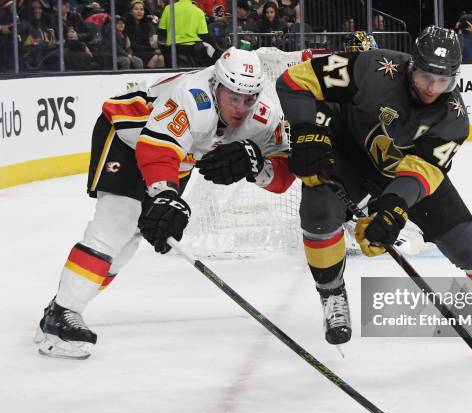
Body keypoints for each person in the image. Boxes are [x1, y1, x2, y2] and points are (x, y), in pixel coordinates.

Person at [274, 26, 472, 347]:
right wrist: (306, 132)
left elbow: (420, 173)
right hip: (348, 157)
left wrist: (393, 209)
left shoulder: (453, 119)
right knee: (318, 211)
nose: (433, 88)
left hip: (404, 173)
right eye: (427, 76)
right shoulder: (372, 68)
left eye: (444, 81)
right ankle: (331, 295)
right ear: (413, 65)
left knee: (468, 243)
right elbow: (293, 82)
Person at [34, 47, 291, 359]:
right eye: (233, 97)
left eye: (247, 98)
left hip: (177, 155)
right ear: (216, 86)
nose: (241, 107)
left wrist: (255, 166)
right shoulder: (192, 96)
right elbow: (156, 149)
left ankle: (61, 305)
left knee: (128, 243)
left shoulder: (263, 115)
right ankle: (61, 314)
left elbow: (282, 176)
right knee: (118, 222)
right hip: (128, 138)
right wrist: (166, 195)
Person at [157, 0, 222, 67]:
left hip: (173, 50)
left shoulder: (169, 9)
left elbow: (161, 31)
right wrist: (217, 49)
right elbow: (204, 35)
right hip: (193, 52)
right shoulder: (198, 11)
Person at [124, 0, 165, 69]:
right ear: (131, 12)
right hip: (133, 52)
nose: (139, 12)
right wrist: (152, 50)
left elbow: (148, 41)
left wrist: (155, 48)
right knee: (155, 57)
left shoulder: (146, 24)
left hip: (145, 51)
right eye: (136, 9)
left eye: (141, 9)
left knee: (161, 57)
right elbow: (132, 44)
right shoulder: (126, 25)